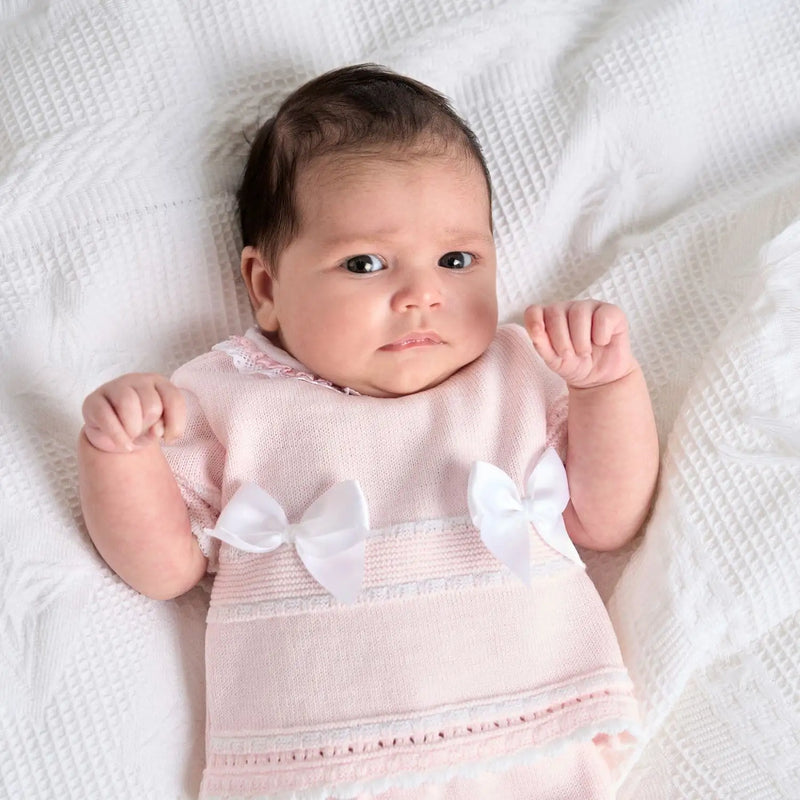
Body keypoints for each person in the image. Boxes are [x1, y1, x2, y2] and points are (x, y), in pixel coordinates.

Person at [78, 64, 659, 799]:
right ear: (266, 288)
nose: (422, 293)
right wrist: (120, 455)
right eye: (365, 263)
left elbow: (607, 518)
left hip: (532, 733)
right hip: (314, 767)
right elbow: (163, 571)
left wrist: (605, 388)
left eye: (457, 259)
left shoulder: (517, 373)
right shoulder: (225, 399)